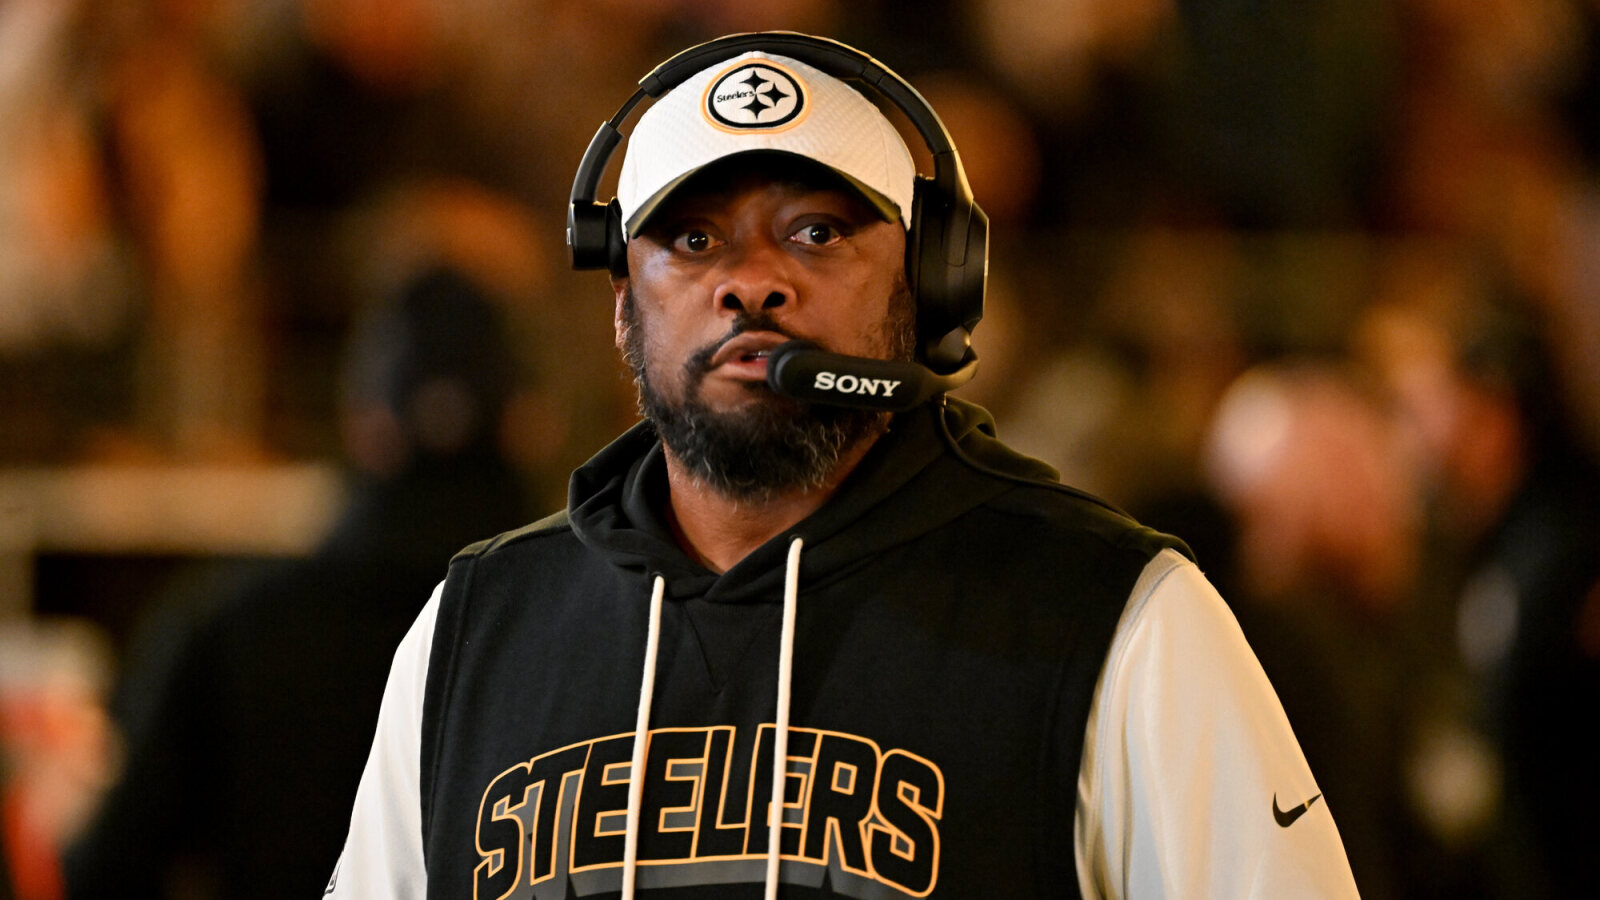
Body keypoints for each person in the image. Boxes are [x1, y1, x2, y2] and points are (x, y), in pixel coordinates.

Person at [329, 33, 1359, 899]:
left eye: (815, 232)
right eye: (693, 239)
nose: (750, 283)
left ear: (933, 284)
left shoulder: (1121, 618)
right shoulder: (474, 627)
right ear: (622, 303)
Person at [62, 265, 535, 900]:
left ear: (364, 424)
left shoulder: (229, 625)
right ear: (525, 424)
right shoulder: (596, 627)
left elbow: (108, 869)